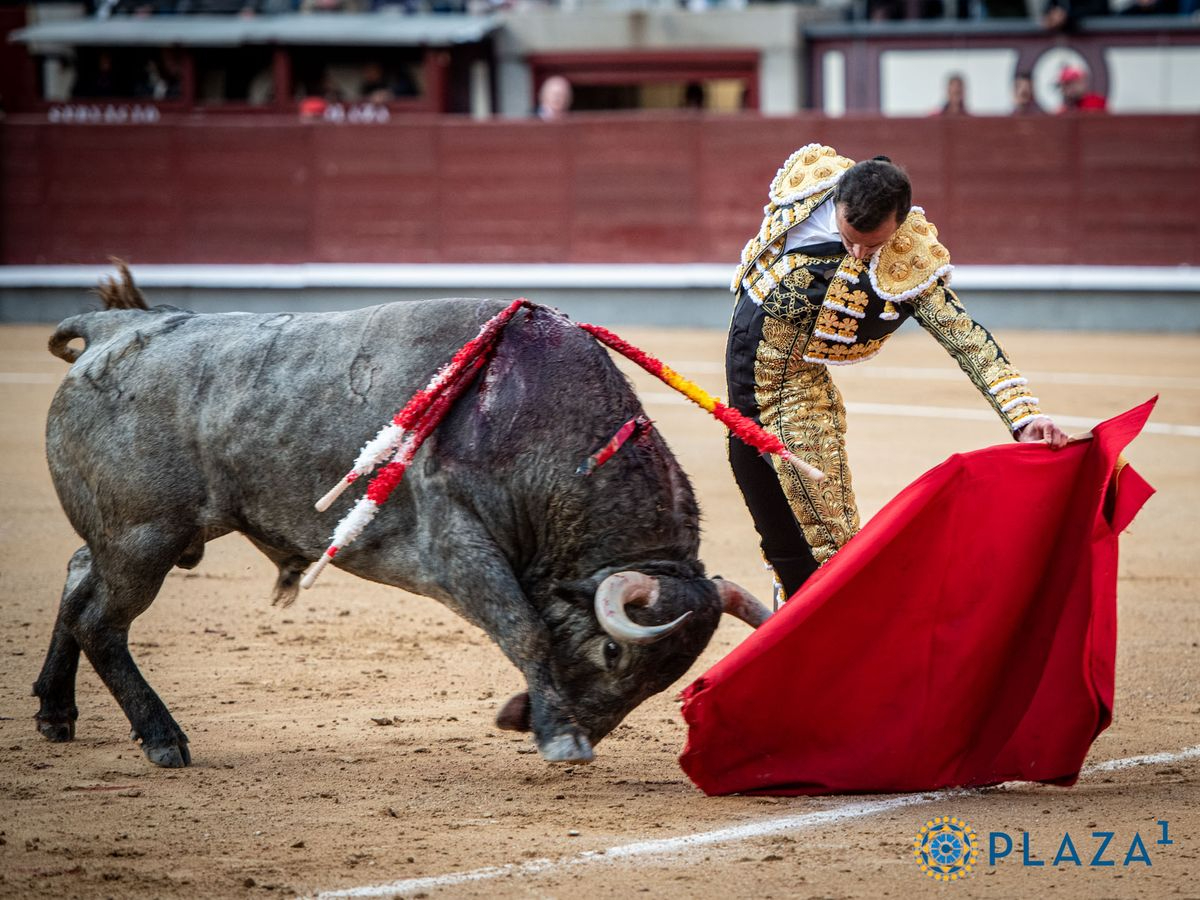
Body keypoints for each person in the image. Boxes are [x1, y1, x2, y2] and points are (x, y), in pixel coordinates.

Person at [726, 146, 1068, 600]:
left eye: (874, 244)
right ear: (837, 201)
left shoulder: (908, 256)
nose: (860, 251)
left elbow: (965, 337)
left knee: (829, 556)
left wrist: (1023, 415)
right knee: (781, 546)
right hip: (744, 404)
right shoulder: (809, 182)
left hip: (796, 406)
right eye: (851, 238)